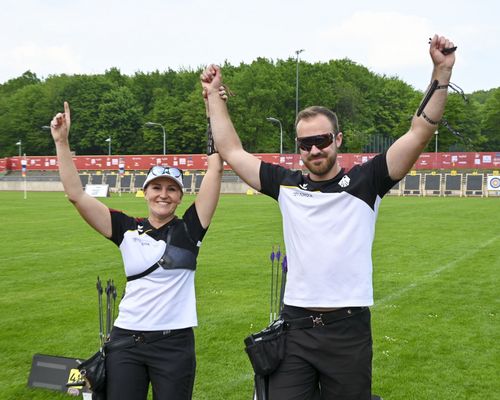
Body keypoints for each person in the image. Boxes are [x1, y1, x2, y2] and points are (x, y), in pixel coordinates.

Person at [201, 34, 456, 399]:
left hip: (347, 330)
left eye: (322, 140)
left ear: (338, 139)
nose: (315, 149)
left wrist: (441, 71)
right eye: (306, 144)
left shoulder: (368, 181)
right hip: (296, 327)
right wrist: (213, 96)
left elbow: (420, 131)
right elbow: (230, 149)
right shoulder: (285, 185)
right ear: (298, 148)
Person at [49, 91, 225, 399]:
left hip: (175, 345)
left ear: (181, 197)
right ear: (145, 192)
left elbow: (216, 169)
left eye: (172, 189)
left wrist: (213, 108)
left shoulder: (190, 230)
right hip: (126, 342)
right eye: (156, 187)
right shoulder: (125, 229)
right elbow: (76, 195)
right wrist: (62, 143)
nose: (163, 195)